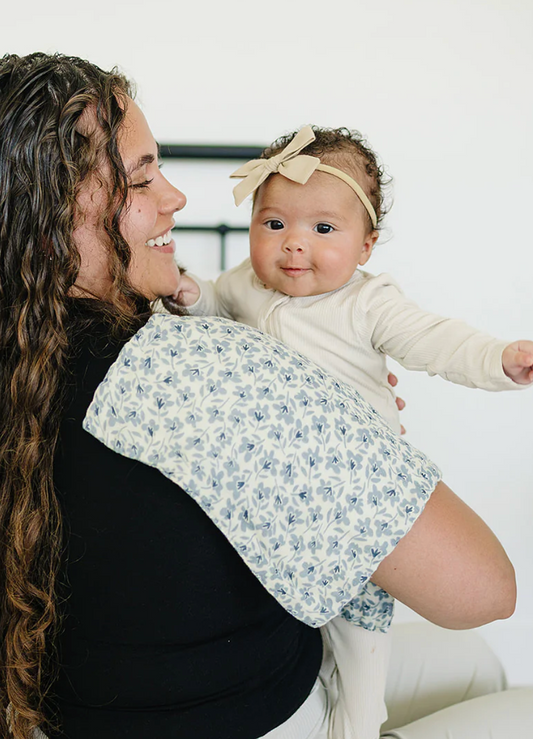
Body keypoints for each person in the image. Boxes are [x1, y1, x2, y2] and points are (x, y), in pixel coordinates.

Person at [0, 52, 518, 739]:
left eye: (320, 229)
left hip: (90, 709)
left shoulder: (34, 356)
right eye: (142, 177)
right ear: (50, 217)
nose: (175, 198)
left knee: (472, 665)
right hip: (257, 715)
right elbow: (483, 587)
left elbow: (427, 339)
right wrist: (328, 415)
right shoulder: (211, 369)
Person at [173, 123, 533, 738]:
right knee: (295, 619)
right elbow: (209, 301)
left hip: (356, 505)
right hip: (282, 500)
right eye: (274, 223)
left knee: (360, 642)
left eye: (323, 229)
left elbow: (433, 340)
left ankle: (359, 724)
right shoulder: (245, 285)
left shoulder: (369, 303)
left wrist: (499, 358)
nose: (293, 246)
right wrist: (185, 292)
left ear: (366, 247)